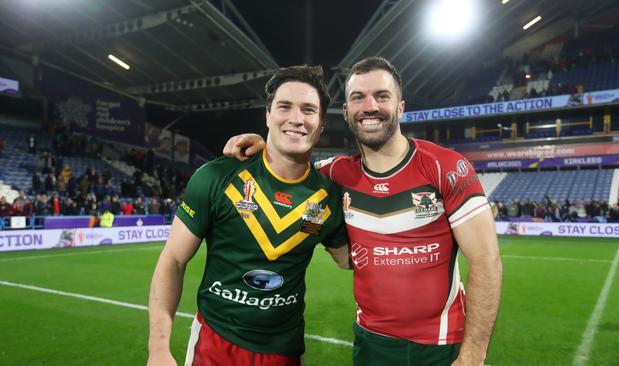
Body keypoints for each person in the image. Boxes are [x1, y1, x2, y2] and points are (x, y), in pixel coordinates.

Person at [224, 56, 502, 366]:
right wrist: (262, 147)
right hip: (369, 343)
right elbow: (286, 172)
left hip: (438, 346)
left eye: (382, 96)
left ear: (400, 107)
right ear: (346, 112)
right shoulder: (334, 174)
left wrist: (473, 356)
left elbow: (486, 262)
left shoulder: (446, 167)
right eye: (358, 97)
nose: (370, 106)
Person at [147, 65, 349, 366]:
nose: (296, 118)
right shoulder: (216, 177)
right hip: (214, 343)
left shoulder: (327, 196)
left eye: (308, 110)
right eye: (285, 107)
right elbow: (173, 260)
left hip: (285, 352)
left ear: (320, 125)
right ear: (267, 115)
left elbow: (350, 259)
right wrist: (159, 349)